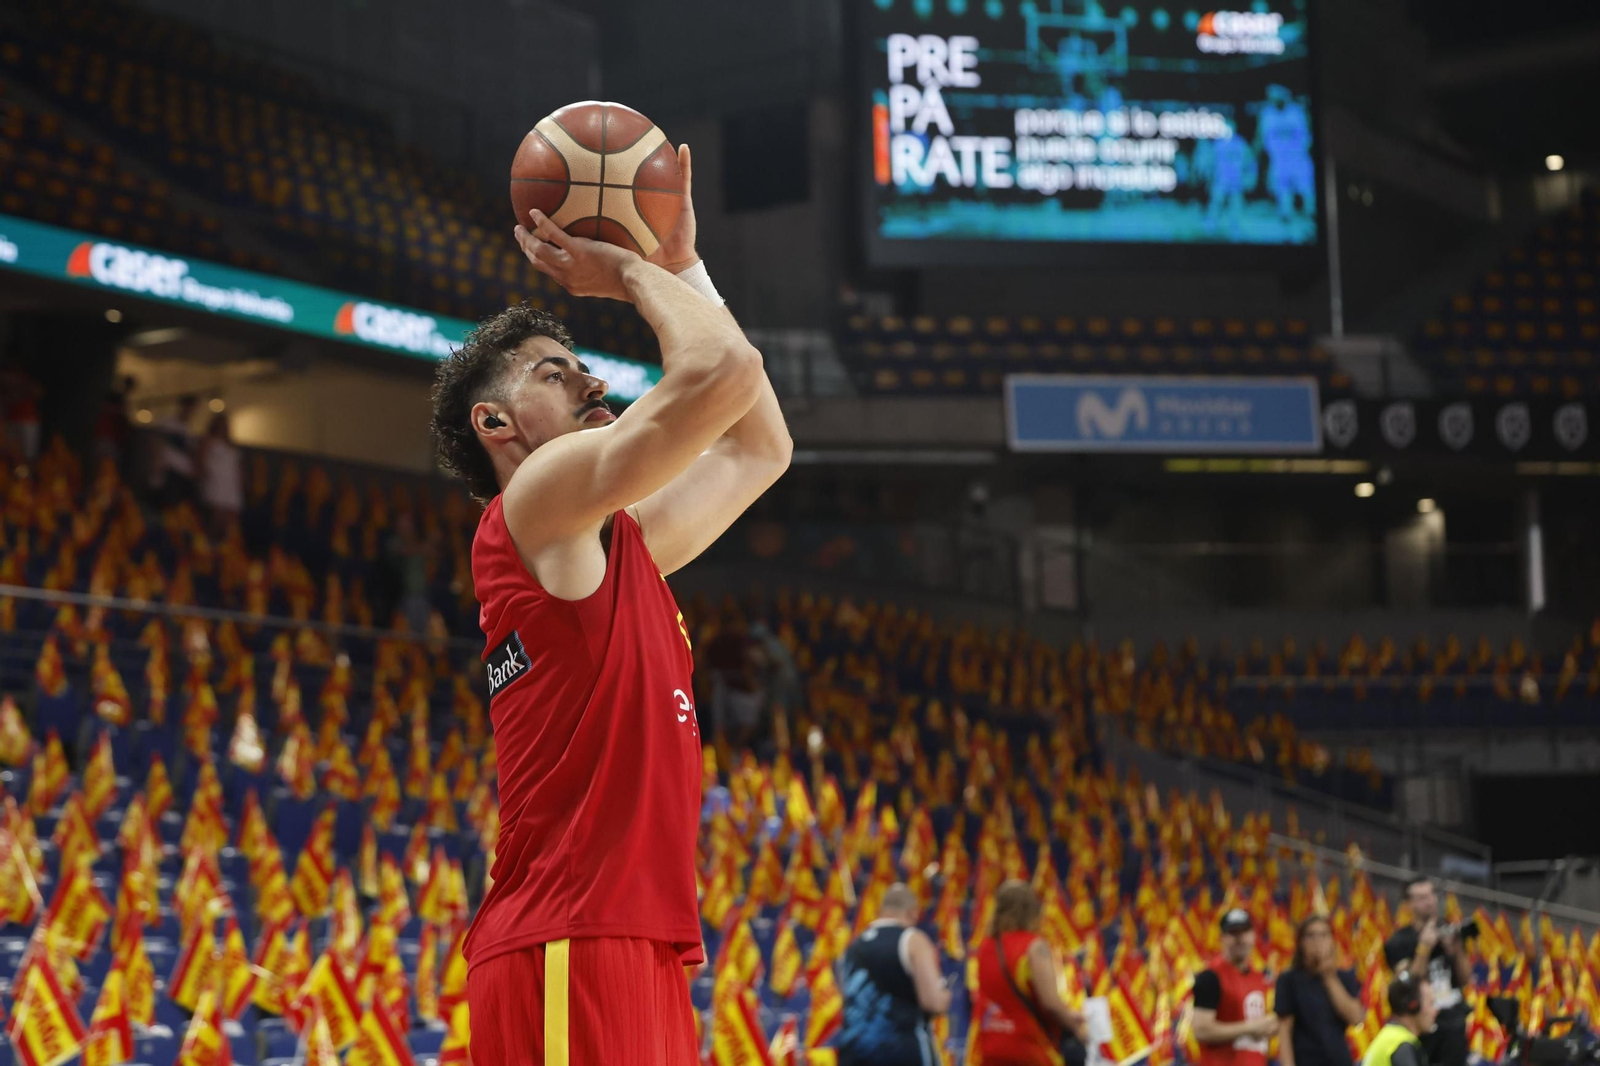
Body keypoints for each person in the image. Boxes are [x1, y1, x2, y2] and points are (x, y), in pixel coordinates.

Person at [433, 143, 791, 1066]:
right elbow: (718, 377)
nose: (593, 382)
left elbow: (760, 448)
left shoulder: (607, 548)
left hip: (626, 938)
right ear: (495, 423)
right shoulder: (536, 501)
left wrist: (682, 266)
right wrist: (631, 269)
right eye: (557, 373)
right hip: (569, 937)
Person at [971, 879, 1088, 1066]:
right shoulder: (1034, 946)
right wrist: (1077, 1028)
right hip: (1029, 1049)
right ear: (1032, 910)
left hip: (991, 1046)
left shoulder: (984, 947)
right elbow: (1050, 1003)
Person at [837, 882, 950, 1066]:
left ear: (881, 910)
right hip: (900, 1051)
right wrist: (945, 996)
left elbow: (847, 999)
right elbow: (933, 1002)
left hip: (854, 1051)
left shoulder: (853, 947)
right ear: (914, 911)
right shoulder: (913, 940)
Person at [1383, 878, 1468, 1066]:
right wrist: (1424, 948)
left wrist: (1457, 949)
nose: (1430, 901)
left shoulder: (1448, 930)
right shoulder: (1399, 941)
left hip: (1454, 1023)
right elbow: (1406, 984)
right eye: (1422, 897)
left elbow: (1465, 979)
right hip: (1424, 1027)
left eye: (1432, 894)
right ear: (1409, 903)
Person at [1192, 909, 1279, 1066]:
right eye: (1233, 933)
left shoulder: (1260, 978)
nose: (1240, 939)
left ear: (1253, 935)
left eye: (1244, 932)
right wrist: (1250, 1028)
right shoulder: (1210, 977)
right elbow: (1201, 1030)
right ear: (1222, 938)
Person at [1275, 916, 1365, 1066]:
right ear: (1301, 942)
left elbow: (1356, 1017)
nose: (1318, 941)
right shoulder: (1288, 980)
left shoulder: (1344, 977)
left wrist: (1328, 976)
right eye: (1311, 935)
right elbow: (1284, 1032)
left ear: (1332, 940)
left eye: (1324, 935)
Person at [1361, 976, 1437, 1066]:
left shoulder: (1391, 1036)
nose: (1436, 1011)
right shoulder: (1401, 1046)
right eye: (1431, 1003)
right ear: (1413, 1006)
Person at [197, 411, 243, 536]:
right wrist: (206, 476)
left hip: (230, 485)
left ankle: (226, 549)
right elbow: (201, 461)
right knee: (216, 518)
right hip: (216, 483)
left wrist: (239, 483)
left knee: (231, 521)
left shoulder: (231, 444)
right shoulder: (208, 441)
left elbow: (237, 466)